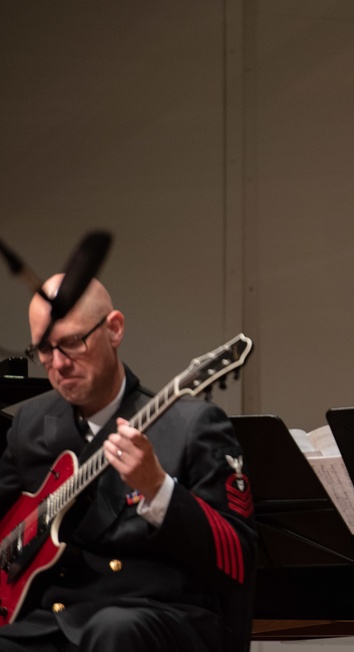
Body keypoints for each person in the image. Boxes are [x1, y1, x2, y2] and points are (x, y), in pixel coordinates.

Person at [0, 275, 257, 652]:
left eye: (72, 342)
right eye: (43, 348)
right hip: (52, 619)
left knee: (112, 630)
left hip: (154, 616)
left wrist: (158, 488)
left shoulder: (190, 425)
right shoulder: (32, 424)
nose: (58, 363)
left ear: (114, 329)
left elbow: (237, 558)